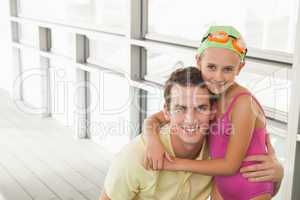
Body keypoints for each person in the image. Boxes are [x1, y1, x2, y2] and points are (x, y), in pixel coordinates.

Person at [143, 26, 284, 200]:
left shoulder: (242, 103)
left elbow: (230, 165)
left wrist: (175, 164)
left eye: (227, 69)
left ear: (239, 68)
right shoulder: (205, 95)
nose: (218, 77)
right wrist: (152, 140)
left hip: (252, 188)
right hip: (220, 187)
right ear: (198, 61)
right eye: (211, 67)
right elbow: (155, 119)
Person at [100, 67, 227, 200]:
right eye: (180, 109)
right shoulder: (134, 157)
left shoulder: (218, 154)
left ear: (213, 111)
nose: (190, 119)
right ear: (166, 112)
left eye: (201, 108)